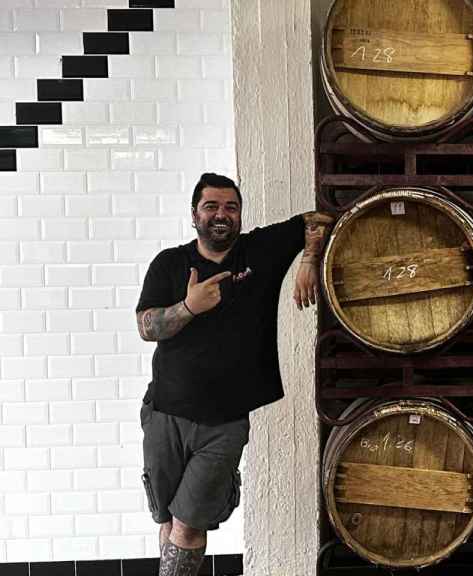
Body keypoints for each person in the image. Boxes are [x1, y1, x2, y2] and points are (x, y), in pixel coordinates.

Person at [135, 173, 333, 575]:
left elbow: (319, 219)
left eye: (230, 207)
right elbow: (145, 326)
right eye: (211, 206)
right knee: (168, 519)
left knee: (189, 525)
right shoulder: (170, 263)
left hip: (223, 424)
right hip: (163, 414)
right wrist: (188, 307)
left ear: (240, 214)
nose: (221, 215)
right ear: (194, 215)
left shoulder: (259, 251)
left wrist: (309, 259)